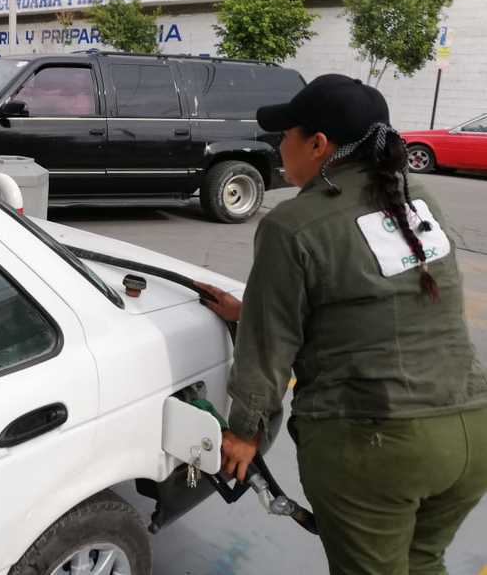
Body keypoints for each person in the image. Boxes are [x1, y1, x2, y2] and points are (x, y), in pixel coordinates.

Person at [196, 74, 487, 575]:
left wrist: (245, 435)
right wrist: (253, 309)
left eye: (286, 134)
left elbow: (267, 349)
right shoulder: (416, 199)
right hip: (470, 433)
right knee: (423, 564)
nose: (279, 145)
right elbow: (383, 298)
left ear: (318, 144)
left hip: (378, 446)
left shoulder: (293, 223)